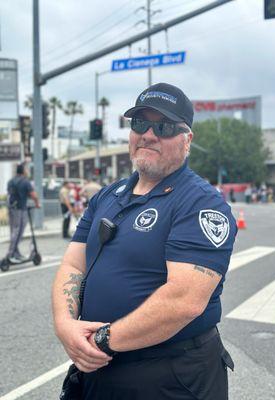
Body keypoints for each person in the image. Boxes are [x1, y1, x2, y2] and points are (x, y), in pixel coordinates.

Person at [52, 82, 237, 400]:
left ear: (187, 139)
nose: (149, 135)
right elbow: (72, 263)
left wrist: (100, 340)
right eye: (140, 123)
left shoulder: (202, 203)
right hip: (99, 369)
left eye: (164, 126)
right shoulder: (108, 196)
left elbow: (184, 301)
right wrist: (65, 325)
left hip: (171, 376)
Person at [6, 163, 40, 262]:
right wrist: (37, 204)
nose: (27, 171)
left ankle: (16, 253)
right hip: (21, 209)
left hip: (11, 208)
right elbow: (33, 195)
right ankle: (11, 253)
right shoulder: (25, 182)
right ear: (23, 171)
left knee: (13, 231)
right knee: (18, 231)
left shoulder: (11, 181)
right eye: (26, 169)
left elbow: (10, 193)